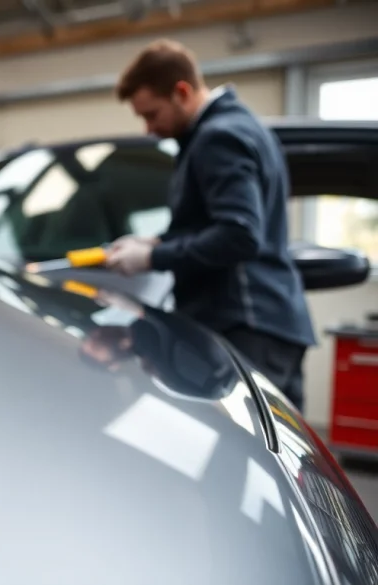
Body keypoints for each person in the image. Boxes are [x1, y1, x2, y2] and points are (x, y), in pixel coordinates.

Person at [103, 38, 316, 412]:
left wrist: (153, 259)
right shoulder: (240, 126)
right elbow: (217, 223)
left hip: (247, 327)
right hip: (266, 326)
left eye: (152, 114)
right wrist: (153, 242)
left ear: (181, 92)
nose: (150, 128)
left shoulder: (218, 137)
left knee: (245, 462)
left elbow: (239, 234)